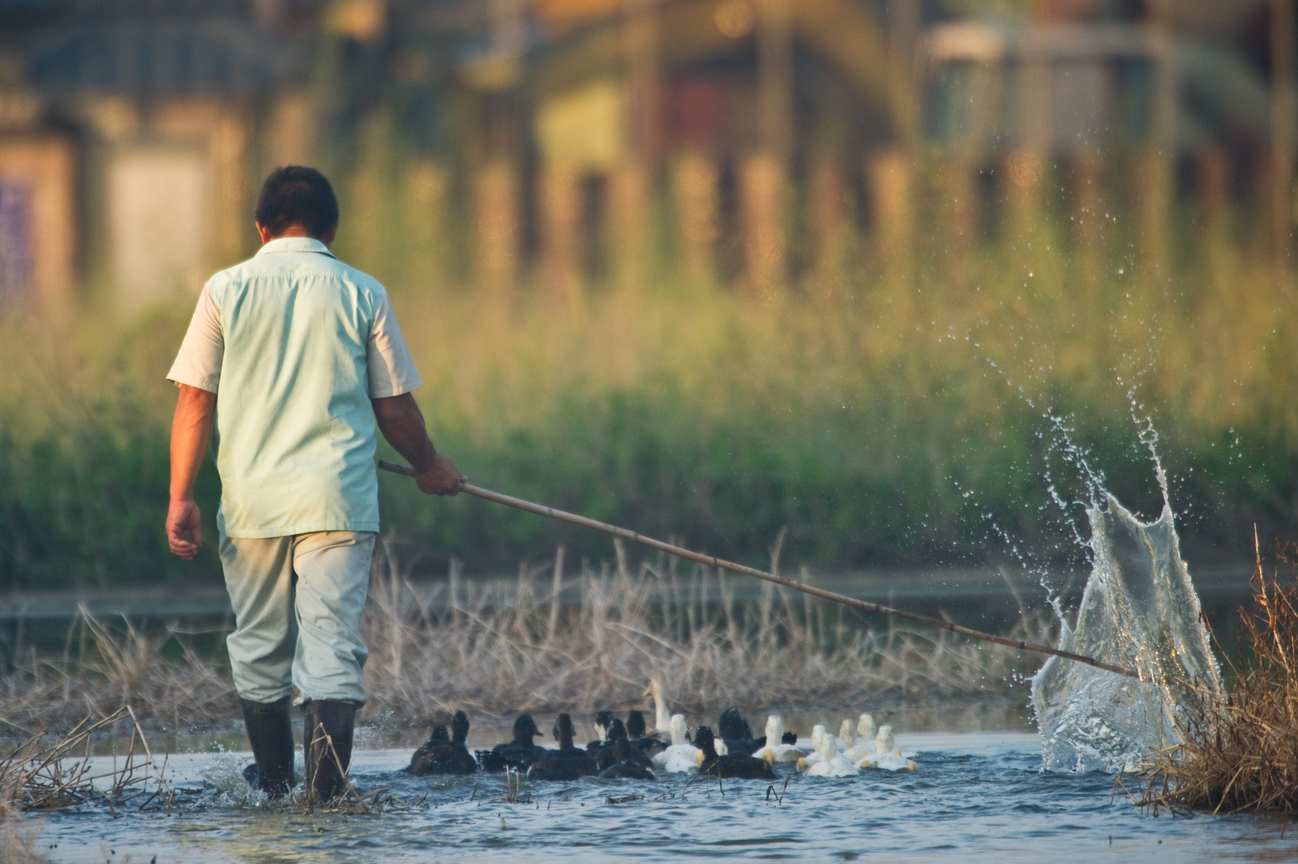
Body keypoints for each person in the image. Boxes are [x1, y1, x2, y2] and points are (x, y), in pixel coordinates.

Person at [164, 166, 463, 801]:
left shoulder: (224, 289)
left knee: (260, 651)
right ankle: (327, 803)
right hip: (338, 501)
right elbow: (394, 409)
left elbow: (194, 401)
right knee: (331, 653)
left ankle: (273, 793)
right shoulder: (363, 291)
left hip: (251, 504)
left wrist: (181, 496)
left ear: (261, 228)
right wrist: (431, 466)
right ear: (333, 228)